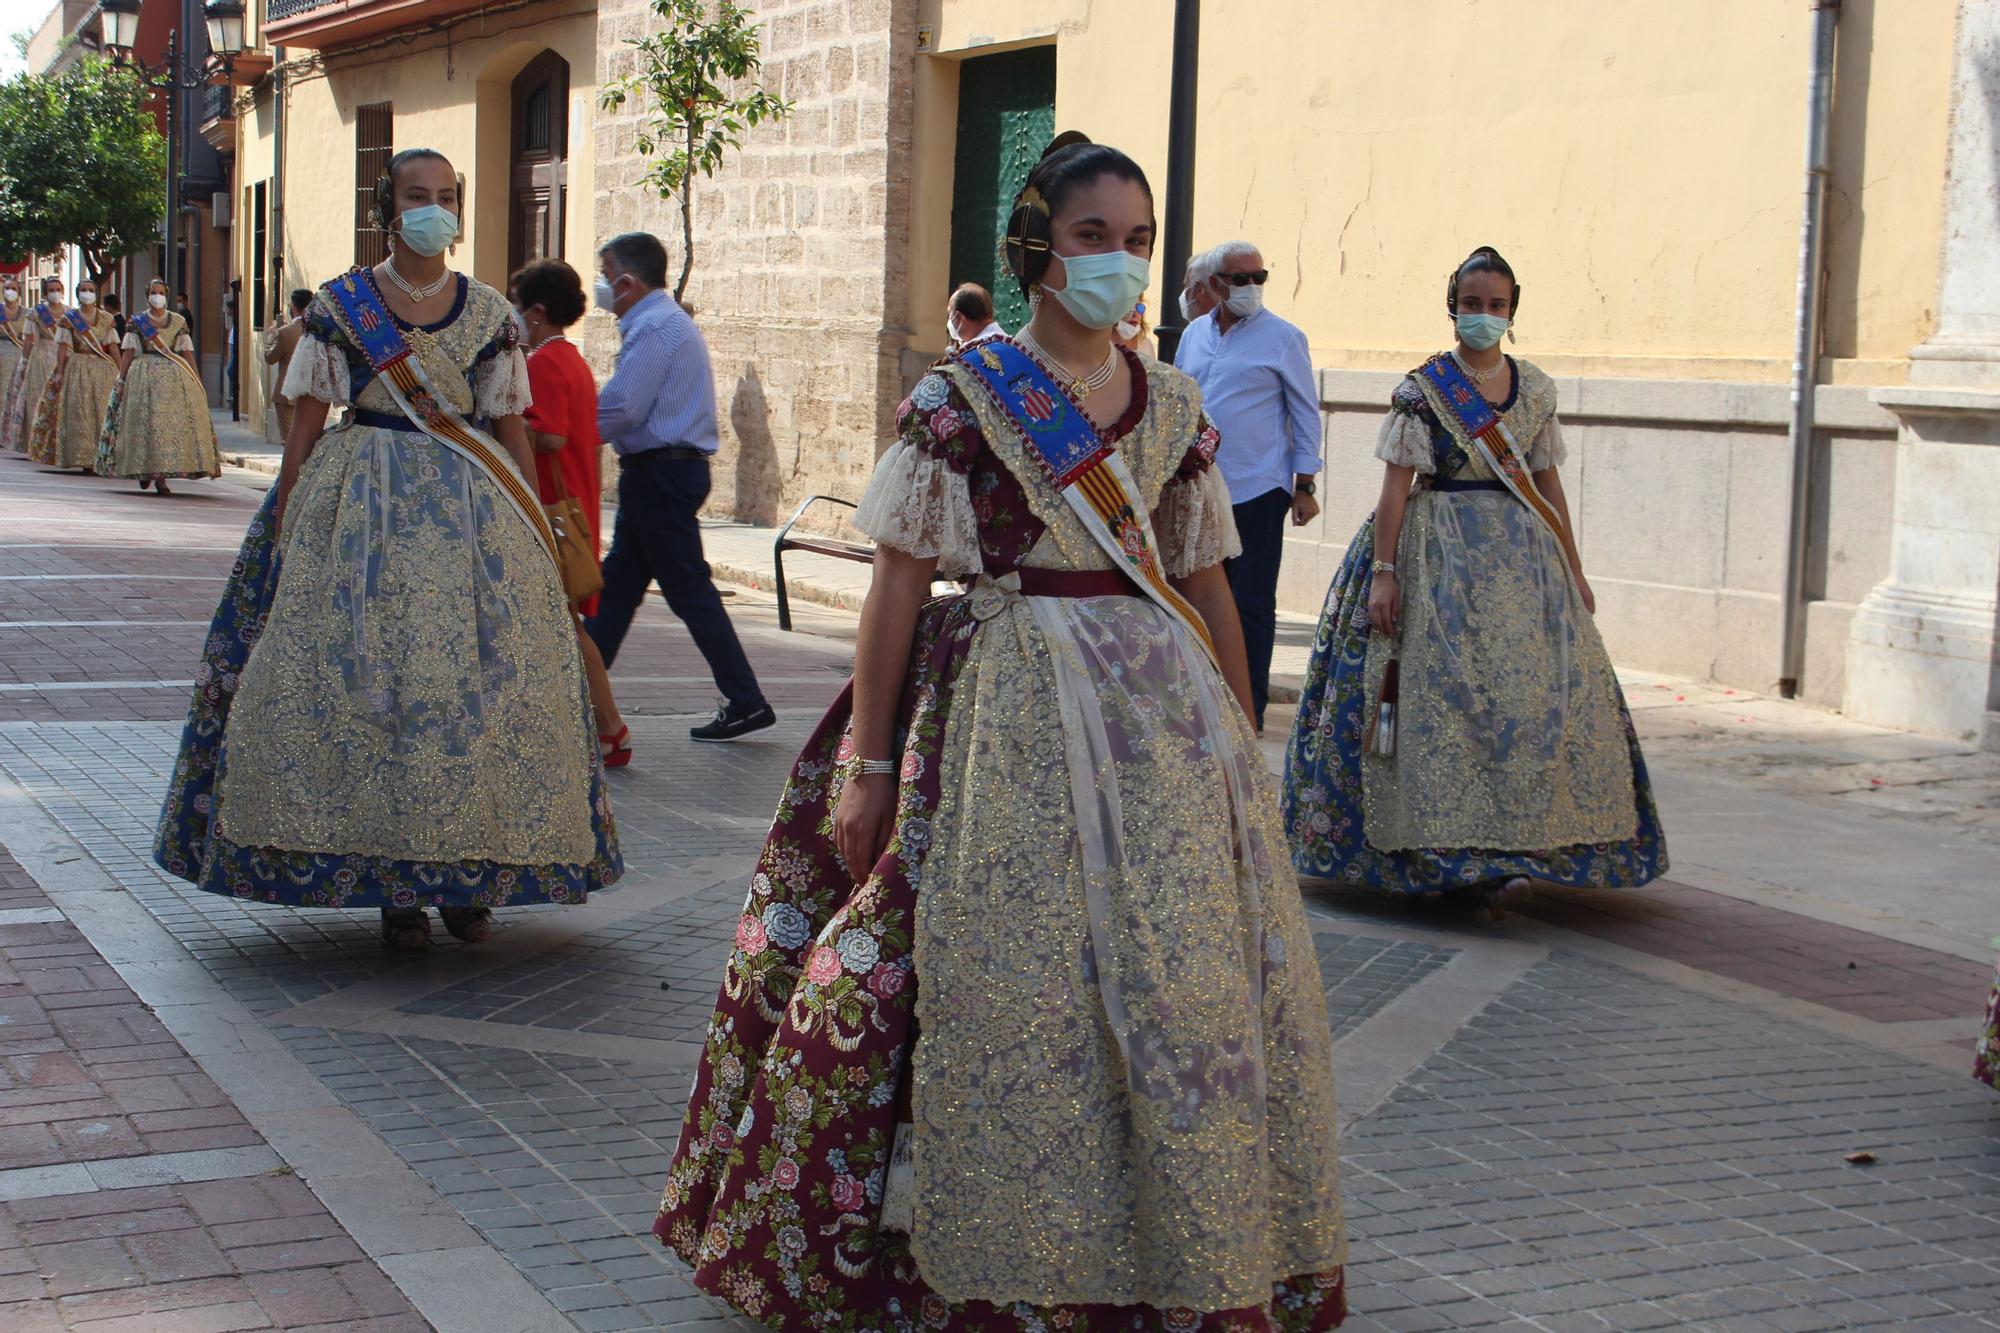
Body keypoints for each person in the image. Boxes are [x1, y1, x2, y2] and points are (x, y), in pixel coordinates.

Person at [656, 134, 1346, 1333]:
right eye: (1092, 239)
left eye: (1136, 242)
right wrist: (867, 765)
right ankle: (992, 1256)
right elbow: (893, 586)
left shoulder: (1173, 399)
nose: (1118, 265)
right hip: (1001, 726)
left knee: (1178, 995)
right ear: (1036, 245)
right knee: (1008, 989)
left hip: (1164, 735)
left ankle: (1173, 1247)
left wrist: (1242, 748)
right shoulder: (961, 394)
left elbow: (1208, 585)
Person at [151, 147, 621, 951]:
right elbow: (305, 421)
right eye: (416, 195)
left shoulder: (490, 314)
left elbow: (508, 423)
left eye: (445, 196)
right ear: (388, 204)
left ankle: (471, 882)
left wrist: (539, 525)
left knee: (479, 699)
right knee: (372, 696)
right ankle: (395, 888)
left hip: (475, 518)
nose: (432, 209)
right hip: (357, 508)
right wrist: (287, 513)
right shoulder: (341, 307)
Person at [1282, 245, 1667, 919]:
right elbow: (1395, 490)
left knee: (1523, 709)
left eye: (1495, 306)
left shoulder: (1537, 390)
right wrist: (1385, 572)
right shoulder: (1424, 389)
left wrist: (1573, 566)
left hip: (1524, 564)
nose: (1482, 316)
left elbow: (1547, 482)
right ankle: (1443, 856)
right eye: (1471, 304)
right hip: (1437, 557)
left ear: (1513, 310)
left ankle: (1522, 847)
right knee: (1442, 705)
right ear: (1451, 306)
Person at [586, 232, 776, 743]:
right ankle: (583, 692)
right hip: (658, 473)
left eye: (606, 278)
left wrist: (569, 433)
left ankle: (746, 699)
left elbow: (624, 407)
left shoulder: (655, 327)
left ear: (627, 281)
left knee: (686, 591)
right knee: (620, 587)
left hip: (660, 474)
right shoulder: (661, 323)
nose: (603, 289)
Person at [1174, 240, 1323, 733]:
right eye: (1241, 279)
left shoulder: (1284, 338)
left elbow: (1304, 411)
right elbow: (1180, 402)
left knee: (1250, 601)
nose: (1251, 287)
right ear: (1215, 285)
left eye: (1260, 277)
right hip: (1199, 488)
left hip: (1259, 487)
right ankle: (1203, 700)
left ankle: (1248, 709)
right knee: (1195, 597)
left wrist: (1305, 483)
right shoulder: (1194, 334)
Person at [511, 257, 630, 768]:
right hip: (572, 507)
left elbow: (551, 433)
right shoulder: (571, 359)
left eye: (518, 308)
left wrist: (503, 419)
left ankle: (610, 728)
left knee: (565, 626)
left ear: (536, 312)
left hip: (553, 513)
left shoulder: (543, 362)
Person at [96, 278, 221, 495]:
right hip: (143, 378)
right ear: (147, 295)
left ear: (167, 294)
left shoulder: (178, 321)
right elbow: (129, 352)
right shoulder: (137, 322)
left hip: (174, 380)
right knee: (146, 426)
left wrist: (197, 381)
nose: (157, 295)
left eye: (160, 292)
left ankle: (161, 477)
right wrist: (121, 379)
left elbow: (187, 353)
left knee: (167, 429)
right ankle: (145, 471)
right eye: (153, 292)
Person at [30, 276, 120, 472]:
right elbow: (63, 347)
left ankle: (99, 457)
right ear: (78, 294)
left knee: (100, 411)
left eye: (90, 290)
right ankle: (81, 456)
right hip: (77, 366)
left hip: (102, 370)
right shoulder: (70, 320)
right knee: (79, 411)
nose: (87, 293)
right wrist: (60, 372)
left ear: (96, 295)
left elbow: (112, 347)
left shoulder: (106, 319)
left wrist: (121, 371)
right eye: (83, 290)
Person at [11, 278, 68, 457]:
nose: (55, 292)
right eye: (51, 289)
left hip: (63, 357)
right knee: (36, 397)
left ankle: (55, 444)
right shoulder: (36, 313)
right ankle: (33, 443)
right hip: (41, 356)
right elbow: (28, 338)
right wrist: (25, 360)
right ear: (45, 293)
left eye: (58, 289)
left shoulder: (69, 313)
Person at [261, 288, 312, 443]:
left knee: (290, 441)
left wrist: (271, 335)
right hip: (310, 393)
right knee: (307, 441)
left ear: (294, 307)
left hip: (286, 394)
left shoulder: (285, 332)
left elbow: (270, 357)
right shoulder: (317, 329)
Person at [943, 281, 1004, 349]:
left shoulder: (971, 354)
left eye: (950, 314)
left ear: (960, 318)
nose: (949, 320)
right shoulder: (1012, 344)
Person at [0, 278, 24, 444]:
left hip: (19, 354)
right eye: (7, 288)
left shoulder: (27, 313)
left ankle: (9, 433)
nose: (10, 291)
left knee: (15, 393)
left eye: (13, 288)